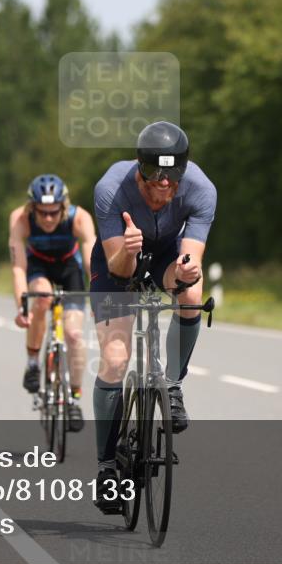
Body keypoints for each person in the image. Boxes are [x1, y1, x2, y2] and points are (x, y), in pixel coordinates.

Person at [88, 121, 216, 511]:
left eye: (171, 179)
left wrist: (186, 272)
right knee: (114, 360)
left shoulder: (202, 190)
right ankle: (107, 468)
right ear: (139, 168)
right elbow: (120, 272)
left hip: (163, 255)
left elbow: (187, 261)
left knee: (192, 292)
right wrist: (128, 249)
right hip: (117, 258)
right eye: (153, 177)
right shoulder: (111, 188)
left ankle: (172, 386)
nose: (163, 187)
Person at [9, 174, 97, 431]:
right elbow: (17, 268)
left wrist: (99, 297)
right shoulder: (20, 219)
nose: (48, 218)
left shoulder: (79, 218)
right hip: (38, 267)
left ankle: (74, 397)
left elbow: (91, 260)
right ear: (32, 207)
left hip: (70, 268)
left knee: (73, 335)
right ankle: (33, 363)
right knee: (42, 299)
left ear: (63, 206)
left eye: (53, 212)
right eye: (42, 213)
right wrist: (20, 307)